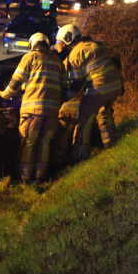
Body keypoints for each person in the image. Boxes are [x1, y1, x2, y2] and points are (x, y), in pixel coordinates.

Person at [0, 32, 62, 183]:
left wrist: (5, 95)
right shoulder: (57, 61)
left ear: (33, 44)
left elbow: (16, 81)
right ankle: (40, 177)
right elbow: (63, 85)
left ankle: (25, 179)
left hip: (32, 111)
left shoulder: (29, 57)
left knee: (28, 142)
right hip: (52, 112)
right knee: (44, 143)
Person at [65, 30, 124, 162]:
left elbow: (76, 84)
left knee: (83, 121)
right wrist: (120, 83)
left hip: (98, 89)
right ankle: (110, 142)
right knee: (104, 112)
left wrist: (62, 99)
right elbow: (116, 60)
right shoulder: (98, 44)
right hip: (114, 86)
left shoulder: (75, 53)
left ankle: (80, 156)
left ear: (67, 39)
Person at [52, 24, 82, 167]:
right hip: (82, 104)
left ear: (65, 42)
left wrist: (61, 99)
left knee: (61, 136)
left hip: (69, 106)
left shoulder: (68, 59)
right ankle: (76, 161)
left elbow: (71, 83)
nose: (56, 46)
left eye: (58, 43)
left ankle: (59, 165)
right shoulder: (80, 54)